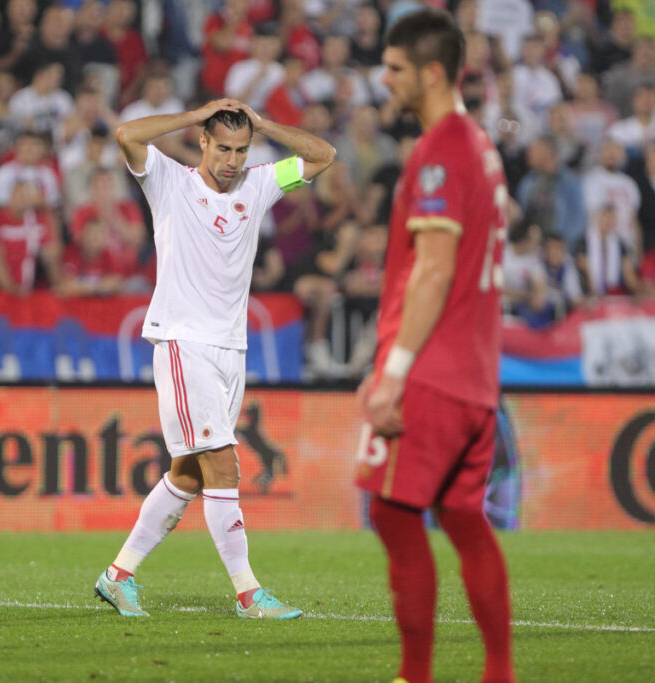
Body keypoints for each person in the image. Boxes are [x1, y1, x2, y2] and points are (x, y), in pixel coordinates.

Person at [94, 97, 335, 619]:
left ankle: (117, 576)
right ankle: (250, 594)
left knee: (189, 474)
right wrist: (194, 114)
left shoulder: (259, 182)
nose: (232, 160)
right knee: (223, 464)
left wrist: (266, 124)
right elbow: (127, 135)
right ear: (203, 141)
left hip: (232, 348)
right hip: (184, 342)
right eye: (222, 147)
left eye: (241, 150)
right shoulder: (169, 181)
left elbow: (322, 155)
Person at [355, 10, 515, 683]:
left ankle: (414, 675)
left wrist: (392, 371)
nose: (382, 78)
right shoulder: (478, 144)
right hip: (477, 375)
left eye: (393, 67)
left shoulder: (440, 150)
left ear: (430, 72)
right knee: (462, 516)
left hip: (432, 369)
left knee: (392, 514)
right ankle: (498, 672)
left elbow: (435, 268)